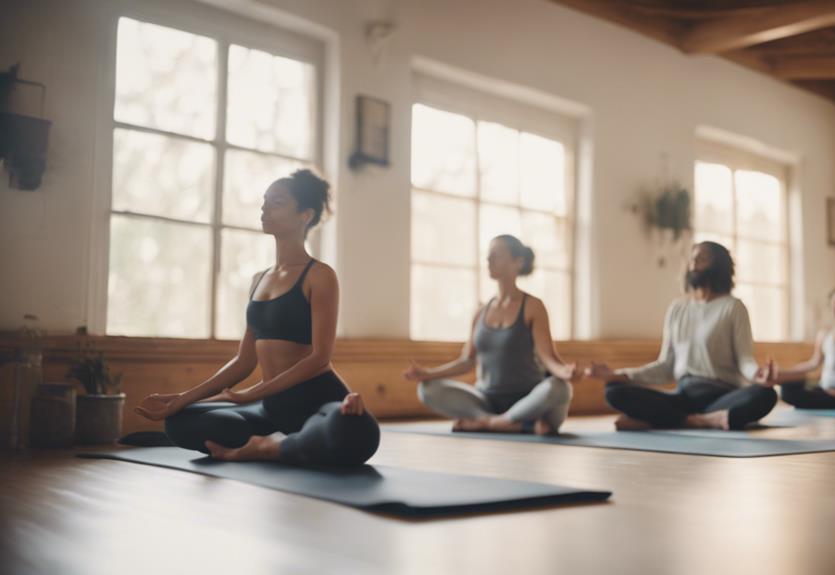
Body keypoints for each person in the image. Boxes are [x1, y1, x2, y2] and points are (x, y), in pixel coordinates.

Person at [136, 169, 379, 466]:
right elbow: (244, 361)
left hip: (318, 401)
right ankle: (287, 445)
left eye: (277, 202)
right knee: (179, 421)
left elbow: (319, 358)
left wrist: (251, 392)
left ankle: (269, 449)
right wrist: (182, 398)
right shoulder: (258, 279)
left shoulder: (319, 275)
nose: (265, 208)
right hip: (271, 408)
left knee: (356, 431)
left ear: (305, 215)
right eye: (264, 201)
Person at [589, 241, 778, 431]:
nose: (693, 263)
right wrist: (618, 375)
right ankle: (701, 421)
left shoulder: (733, 307)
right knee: (613, 391)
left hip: (721, 397)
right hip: (683, 396)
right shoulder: (677, 309)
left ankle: (663, 420)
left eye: (702, 259)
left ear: (718, 265)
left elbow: (744, 359)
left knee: (766, 395)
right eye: (692, 258)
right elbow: (665, 366)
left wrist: (757, 374)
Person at [404, 235, 582, 435]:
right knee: (427, 389)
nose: (488, 259)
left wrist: (565, 372)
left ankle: (493, 423)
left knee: (560, 388)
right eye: (488, 254)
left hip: (529, 400)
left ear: (518, 262)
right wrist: (428, 374)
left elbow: (548, 358)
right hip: (486, 400)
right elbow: (466, 361)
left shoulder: (533, 306)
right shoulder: (481, 311)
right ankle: (510, 424)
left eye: (496, 255)